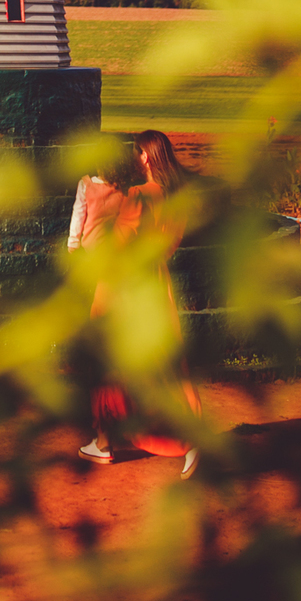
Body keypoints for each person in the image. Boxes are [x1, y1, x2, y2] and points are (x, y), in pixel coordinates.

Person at [76, 129, 201, 479]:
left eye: (136, 153)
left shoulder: (138, 195)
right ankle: (187, 432)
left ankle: (103, 441)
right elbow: (171, 244)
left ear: (145, 157)